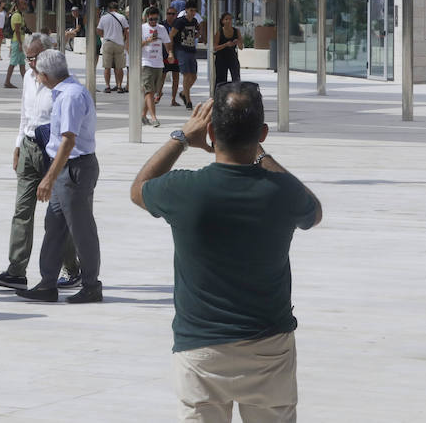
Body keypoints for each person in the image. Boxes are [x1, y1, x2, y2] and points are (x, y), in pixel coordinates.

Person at [131, 84, 322, 422]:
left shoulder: (184, 189)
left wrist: (180, 137)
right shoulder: (283, 192)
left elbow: (138, 189)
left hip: (200, 349)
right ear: (262, 132)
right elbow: (314, 212)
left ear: (210, 131)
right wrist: (262, 154)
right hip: (269, 348)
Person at [0, 34, 81, 292]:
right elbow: (25, 115)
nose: (29, 63)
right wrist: (18, 145)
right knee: (22, 210)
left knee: (58, 215)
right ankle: (16, 270)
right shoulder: (28, 77)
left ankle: (73, 269)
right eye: (27, 57)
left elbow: (70, 131)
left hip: (53, 151)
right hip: (29, 147)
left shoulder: (63, 85)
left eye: (34, 57)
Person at [14, 48, 102, 304]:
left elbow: (68, 141)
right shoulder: (64, 92)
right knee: (54, 227)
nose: (36, 78)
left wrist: (49, 178)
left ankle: (91, 285)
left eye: (37, 73)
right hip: (65, 168)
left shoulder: (70, 97)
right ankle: (47, 283)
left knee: (81, 230)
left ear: (45, 74)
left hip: (74, 169)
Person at [140, 6, 171, 128]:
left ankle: (143, 115)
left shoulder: (162, 29)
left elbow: (167, 43)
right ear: (147, 18)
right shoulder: (142, 29)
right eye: (151, 19)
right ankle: (153, 118)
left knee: (154, 93)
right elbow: (136, 45)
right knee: (149, 92)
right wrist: (148, 40)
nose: (153, 22)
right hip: (146, 62)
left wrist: (170, 53)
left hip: (159, 63)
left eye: (155, 19)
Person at [172, 0, 203, 109]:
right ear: (186, 10)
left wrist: (198, 34)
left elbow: (198, 30)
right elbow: (171, 35)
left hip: (191, 49)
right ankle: (188, 101)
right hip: (181, 49)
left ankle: (184, 93)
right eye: (191, 10)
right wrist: (171, 51)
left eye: (194, 11)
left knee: (193, 76)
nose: (193, 13)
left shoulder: (194, 21)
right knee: (186, 75)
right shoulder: (180, 21)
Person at [97, 0, 128, 93]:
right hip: (119, 43)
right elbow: (127, 30)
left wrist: (104, 35)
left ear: (109, 9)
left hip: (108, 43)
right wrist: (125, 39)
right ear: (117, 9)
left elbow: (99, 30)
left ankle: (107, 86)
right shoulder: (122, 17)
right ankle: (119, 86)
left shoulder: (104, 18)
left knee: (107, 67)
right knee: (119, 67)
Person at [213, 12, 243, 86]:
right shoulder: (219, 32)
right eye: (226, 19)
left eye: (230, 19)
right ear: (222, 21)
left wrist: (238, 42)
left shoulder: (236, 31)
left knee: (236, 78)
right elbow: (215, 47)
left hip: (232, 57)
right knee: (221, 80)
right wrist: (226, 45)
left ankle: (236, 94)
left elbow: (241, 47)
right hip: (221, 58)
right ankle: (219, 95)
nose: (229, 21)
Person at [163, 6, 182, 106]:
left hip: (176, 54)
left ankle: (173, 99)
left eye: (173, 14)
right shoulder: (162, 25)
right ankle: (158, 95)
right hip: (164, 54)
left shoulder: (179, 25)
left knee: (176, 77)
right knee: (161, 77)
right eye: (169, 14)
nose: (171, 16)